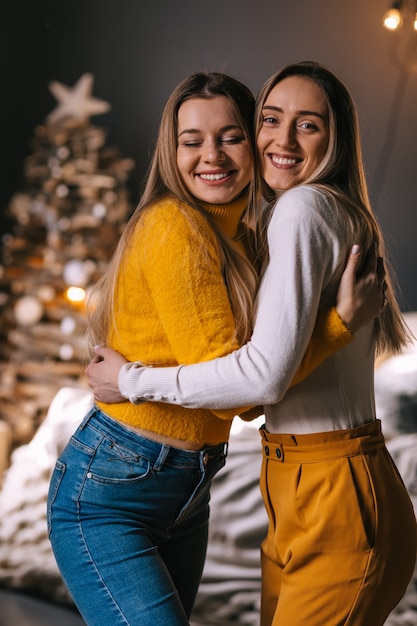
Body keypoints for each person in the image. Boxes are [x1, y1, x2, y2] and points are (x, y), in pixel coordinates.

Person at [87, 62, 416, 626]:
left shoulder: (301, 210)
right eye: (271, 119)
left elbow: (260, 378)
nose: (282, 140)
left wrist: (130, 380)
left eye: (307, 125)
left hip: (332, 489)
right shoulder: (324, 213)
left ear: (334, 138)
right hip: (306, 482)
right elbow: (270, 378)